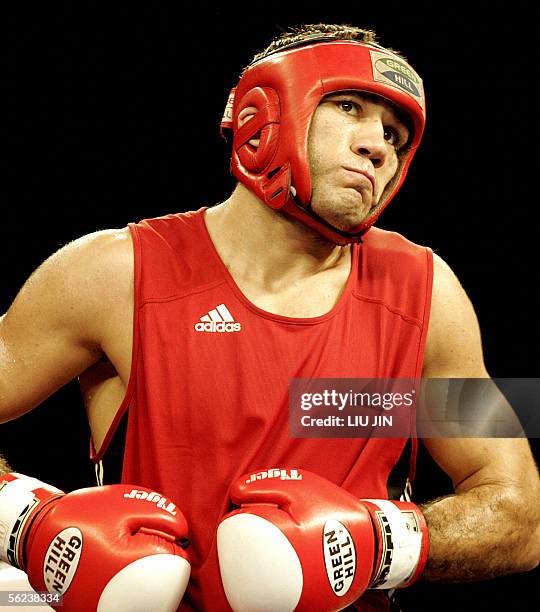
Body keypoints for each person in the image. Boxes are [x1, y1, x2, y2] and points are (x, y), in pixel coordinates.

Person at [0, 22, 539, 611]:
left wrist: (381, 544)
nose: (377, 146)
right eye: (349, 107)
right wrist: (22, 521)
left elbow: (520, 514)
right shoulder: (113, 273)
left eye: (394, 133)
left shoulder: (425, 294)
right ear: (264, 114)